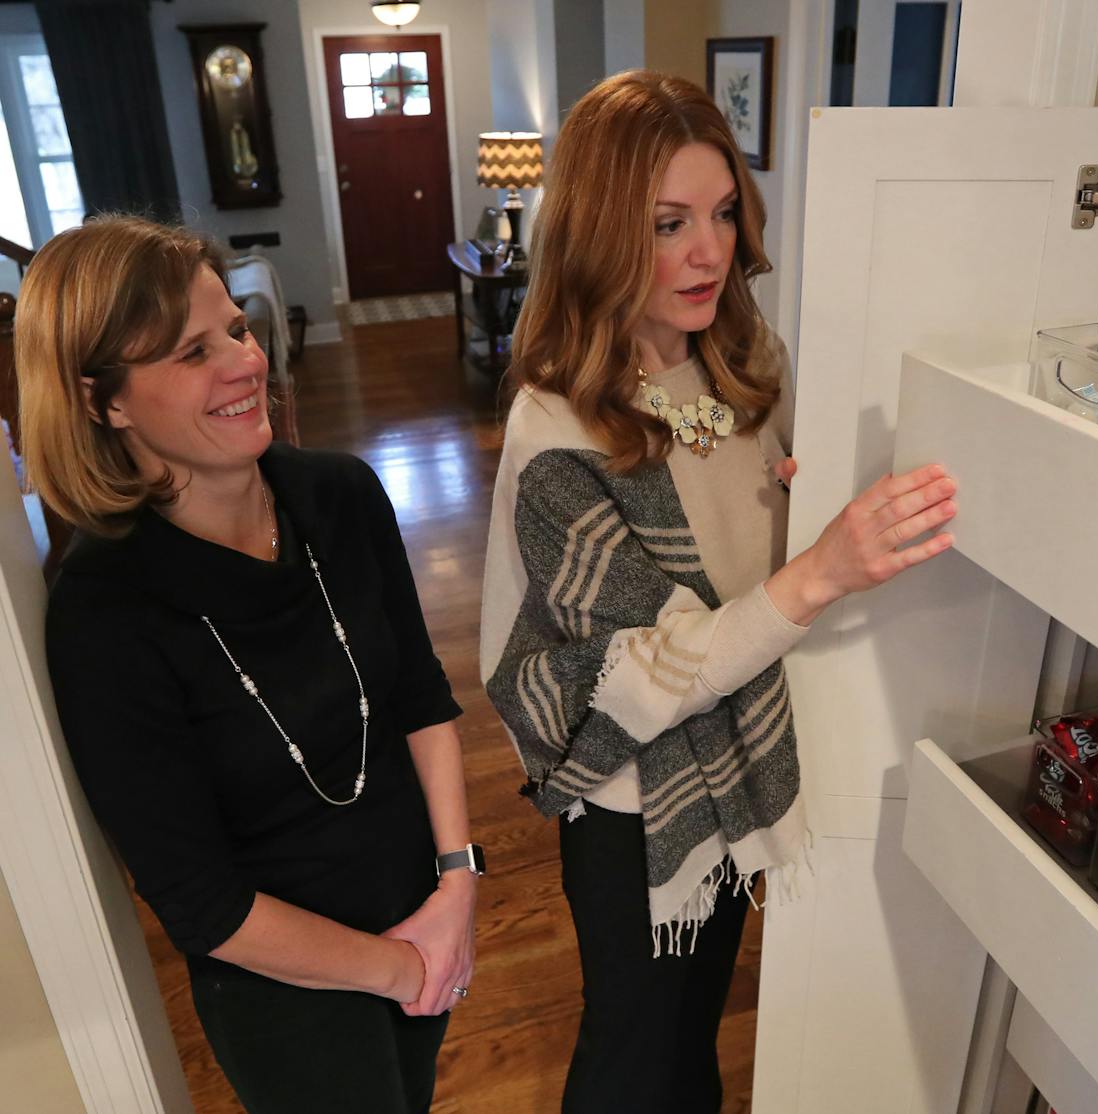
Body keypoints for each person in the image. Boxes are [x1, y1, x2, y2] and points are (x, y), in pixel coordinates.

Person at [480, 71, 958, 1114]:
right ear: (602, 234)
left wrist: (805, 500)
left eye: (722, 211)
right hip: (631, 796)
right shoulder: (554, 432)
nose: (711, 251)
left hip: (732, 760)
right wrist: (820, 565)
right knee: (631, 1051)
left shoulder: (747, 366)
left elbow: (754, 552)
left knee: (692, 1029)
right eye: (667, 223)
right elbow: (644, 676)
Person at [17, 216, 478, 1114]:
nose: (244, 360)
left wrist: (457, 884)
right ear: (103, 399)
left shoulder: (342, 494)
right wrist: (397, 966)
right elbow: (200, 902)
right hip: (286, 992)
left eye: (233, 327)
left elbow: (420, 696)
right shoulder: (105, 612)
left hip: (424, 922)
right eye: (193, 353)